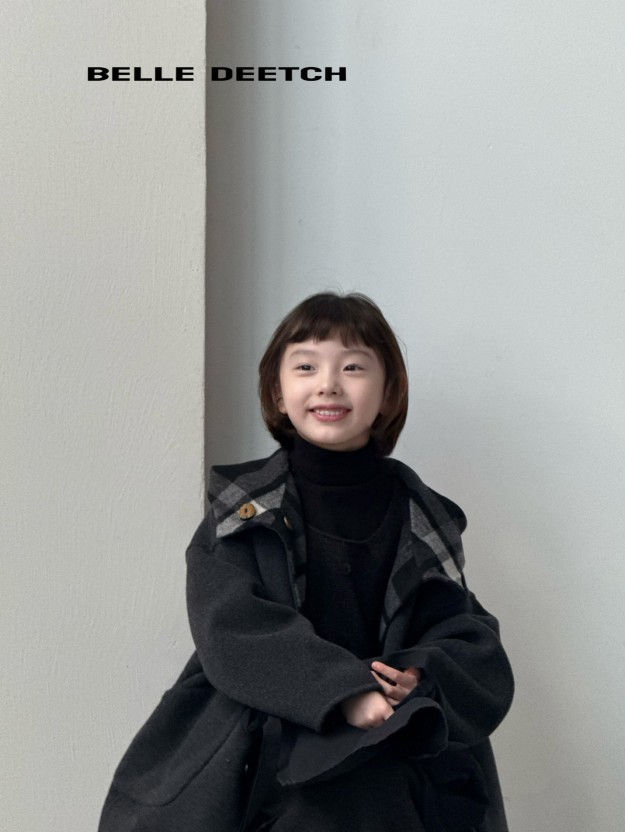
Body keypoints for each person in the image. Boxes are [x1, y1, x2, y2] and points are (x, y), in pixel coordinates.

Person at [99, 292, 514, 832]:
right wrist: (343, 692)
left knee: (381, 791)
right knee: (316, 805)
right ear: (278, 391)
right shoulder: (242, 509)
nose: (328, 384)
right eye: (305, 366)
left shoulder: (422, 518)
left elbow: (466, 635)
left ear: (389, 392)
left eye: (353, 367)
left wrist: (423, 678)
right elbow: (230, 627)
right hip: (260, 740)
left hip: (388, 740)